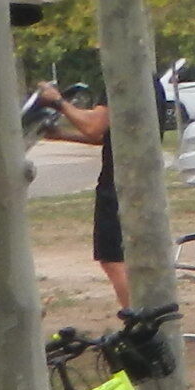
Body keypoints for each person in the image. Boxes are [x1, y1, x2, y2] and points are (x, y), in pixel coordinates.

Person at [34, 83, 128, 308]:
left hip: (117, 184)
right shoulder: (145, 82)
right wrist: (62, 135)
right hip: (132, 181)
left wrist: (58, 102)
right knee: (124, 258)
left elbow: (94, 126)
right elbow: (105, 133)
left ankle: (139, 320)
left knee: (114, 260)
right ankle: (142, 318)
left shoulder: (120, 80)